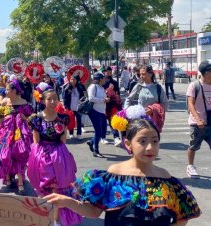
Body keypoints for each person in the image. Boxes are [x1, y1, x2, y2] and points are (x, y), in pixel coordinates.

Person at [45, 116, 201, 226]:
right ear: (128, 144)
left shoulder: (165, 178)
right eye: (142, 141)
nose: (150, 147)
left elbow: (183, 216)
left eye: (155, 141)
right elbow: (94, 212)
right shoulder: (113, 175)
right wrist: (67, 202)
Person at [28, 83, 81, 226]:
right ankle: (46, 217)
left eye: (55, 99)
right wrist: (37, 159)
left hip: (59, 155)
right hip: (42, 155)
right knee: (45, 187)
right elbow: (36, 141)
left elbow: (63, 140)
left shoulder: (63, 118)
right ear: (43, 101)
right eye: (49, 99)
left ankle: (57, 219)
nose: (53, 102)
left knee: (60, 187)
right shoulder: (37, 119)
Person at [0, 79, 33, 195]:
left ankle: (20, 182)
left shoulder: (24, 102)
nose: (5, 90)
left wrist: (23, 117)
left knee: (19, 155)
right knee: (5, 155)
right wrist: (2, 120)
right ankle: (8, 179)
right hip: (6, 133)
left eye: (8, 89)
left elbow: (30, 119)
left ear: (14, 90)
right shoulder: (4, 102)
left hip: (20, 134)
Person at [124, 65, 168, 133]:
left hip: (154, 120)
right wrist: (126, 112)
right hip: (140, 119)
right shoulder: (138, 86)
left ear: (150, 74)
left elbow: (165, 104)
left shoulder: (158, 88)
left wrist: (153, 110)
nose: (141, 76)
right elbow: (128, 99)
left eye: (143, 74)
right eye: (140, 74)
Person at [186, 60, 211, 178]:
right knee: (194, 145)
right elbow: (190, 104)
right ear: (205, 73)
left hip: (210, 122)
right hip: (198, 123)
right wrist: (197, 119)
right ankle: (190, 166)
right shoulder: (195, 85)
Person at [86, 72, 109, 158]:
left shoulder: (101, 87)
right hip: (94, 111)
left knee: (103, 131)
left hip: (102, 111)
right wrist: (103, 100)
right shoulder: (92, 87)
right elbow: (91, 98)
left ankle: (92, 142)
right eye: (103, 78)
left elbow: (103, 98)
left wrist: (106, 99)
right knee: (98, 131)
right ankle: (96, 151)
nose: (104, 80)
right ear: (99, 79)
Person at [63, 75, 85, 140]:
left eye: (74, 79)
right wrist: (66, 107)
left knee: (79, 120)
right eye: (71, 79)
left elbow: (83, 96)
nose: (73, 81)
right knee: (71, 120)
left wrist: (82, 102)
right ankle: (71, 133)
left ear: (76, 80)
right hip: (70, 107)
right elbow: (65, 98)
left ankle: (79, 134)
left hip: (78, 107)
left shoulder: (79, 87)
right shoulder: (67, 88)